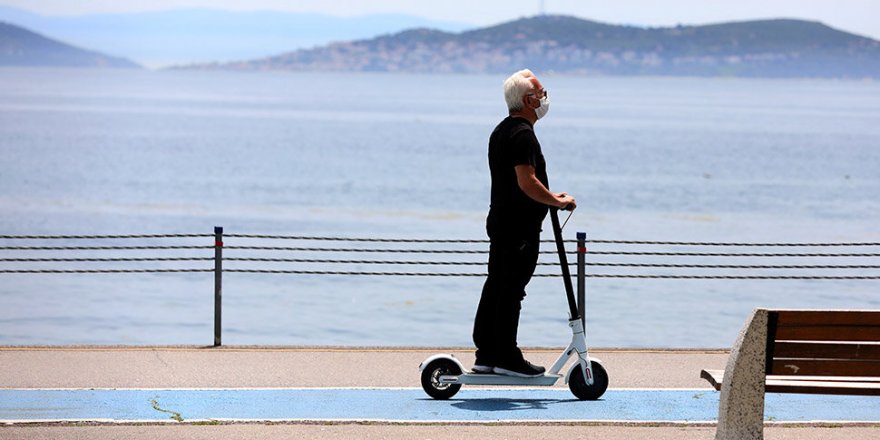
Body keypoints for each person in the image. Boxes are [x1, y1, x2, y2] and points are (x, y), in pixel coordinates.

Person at [472, 69, 577, 377]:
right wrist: (557, 202)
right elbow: (526, 182)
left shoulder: (502, 130)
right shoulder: (523, 134)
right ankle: (506, 356)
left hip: (502, 220)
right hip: (519, 227)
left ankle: (487, 354)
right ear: (529, 100)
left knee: (497, 285)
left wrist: (548, 196)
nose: (545, 99)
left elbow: (520, 182)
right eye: (542, 93)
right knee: (511, 290)